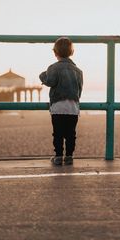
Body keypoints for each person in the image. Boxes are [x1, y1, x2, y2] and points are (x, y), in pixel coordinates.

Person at [39, 37, 83, 165]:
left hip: (58, 106)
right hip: (73, 107)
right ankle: (69, 157)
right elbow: (79, 89)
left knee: (57, 133)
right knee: (71, 134)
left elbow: (50, 81)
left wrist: (42, 75)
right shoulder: (78, 71)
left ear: (55, 53)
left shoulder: (53, 68)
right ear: (72, 52)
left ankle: (58, 156)